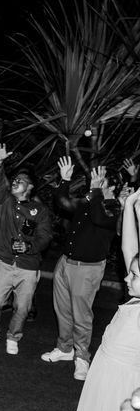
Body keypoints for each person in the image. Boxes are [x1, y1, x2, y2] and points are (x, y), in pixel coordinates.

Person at [62, 186, 140, 411]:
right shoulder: (137, 295)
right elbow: (129, 249)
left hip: (120, 386)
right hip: (102, 376)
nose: (127, 278)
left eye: (134, 276)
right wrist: (129, 206)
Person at [41, 158, 125, 380]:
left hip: (87, 269)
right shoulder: (90, 200)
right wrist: (65, 180)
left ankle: (82, 358)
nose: (94, 181)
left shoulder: (115, 209)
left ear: (113, 186)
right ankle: (65, 349)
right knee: (63, 310)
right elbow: (63, 203)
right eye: (94, 177)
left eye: (101, 179)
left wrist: (96, 191)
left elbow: (98, 218)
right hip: (65, 263)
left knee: (82, 316)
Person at [0, 142, 52, 355]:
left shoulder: (40, 210)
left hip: (28, 267)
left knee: (22, 307)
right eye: (15, 179)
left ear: (30, 187)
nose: (16, 181)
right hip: (4, 263)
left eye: (21, 180)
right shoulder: (5, 202)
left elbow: (45, 237)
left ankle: (13, 336)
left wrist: (29, 246)